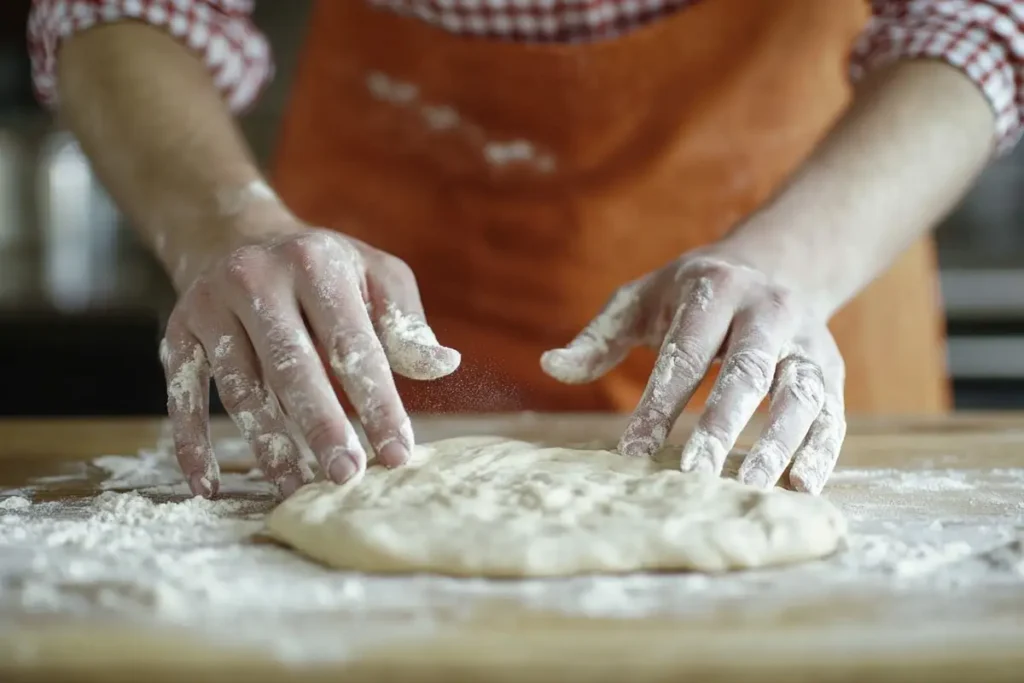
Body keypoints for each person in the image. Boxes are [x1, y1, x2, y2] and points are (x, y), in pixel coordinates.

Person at [27, 0, 1021, 499]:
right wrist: (224, 222)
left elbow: (977, 13)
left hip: (806, 248)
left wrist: (794, 260)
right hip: (373, 275)